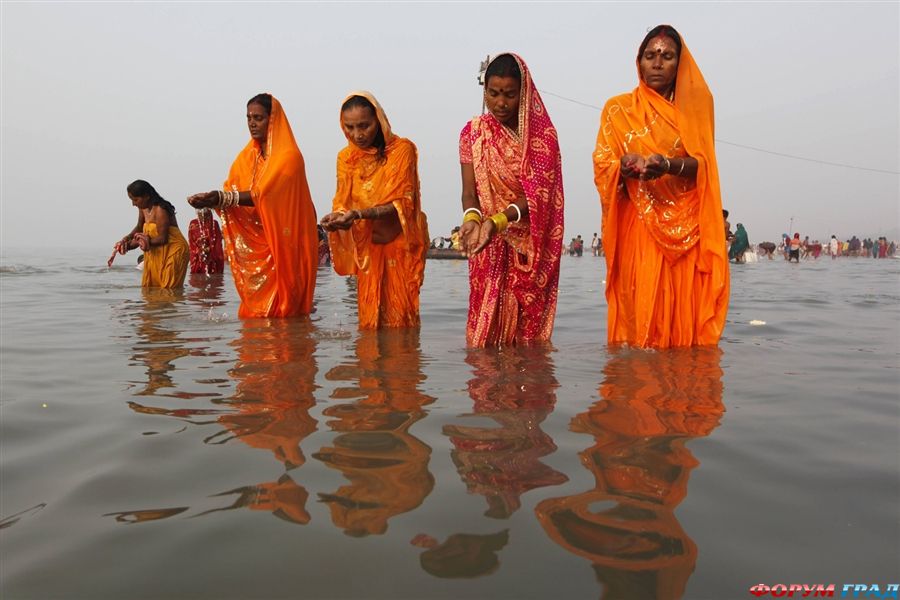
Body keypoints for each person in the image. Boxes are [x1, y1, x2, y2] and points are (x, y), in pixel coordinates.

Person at [592, 25, 729, 348]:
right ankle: (637, 392)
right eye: (650, 55)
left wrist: (667, 165)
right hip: (639, 228)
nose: (657, 63)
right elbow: (602, 163)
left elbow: (703, 164)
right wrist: (624, 167)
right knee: (639, 328)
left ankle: (682, 391)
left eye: (667, 56)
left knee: (684, 330)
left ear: (679, 64)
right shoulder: (617, 109)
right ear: (638, 62)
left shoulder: (694, 107)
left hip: (688, 232)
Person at [458, 53, 565, 347]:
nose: (500, 103)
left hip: (528, 249)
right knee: (484, 345)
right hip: (487, 245)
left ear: (524, 94)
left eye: (509, 94)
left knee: (527, 347)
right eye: (493, 93)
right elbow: (470, 192)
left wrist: (498, 221)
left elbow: (539, 198)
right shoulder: (473, 133)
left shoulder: (543, 139)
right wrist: (472, 219)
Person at [188, 93, 318, 317]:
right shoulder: (247, 157)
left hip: (286, 245)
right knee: (256, 319)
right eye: (248, 118)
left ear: (273, 120)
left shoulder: (289, 157)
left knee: (287, 314)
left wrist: (221, 198)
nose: (252, 123)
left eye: (258, 118)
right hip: (258, 244)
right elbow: (234, 188)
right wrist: (215, 199)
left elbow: (265, 194)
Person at [320, 92, 430, 329]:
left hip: (399, 246)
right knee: (370, 324)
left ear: (378, 120)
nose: (357, 134)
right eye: (349, 127)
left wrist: (359, 214)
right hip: (369, 248)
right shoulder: (346, 157)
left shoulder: (402, 150)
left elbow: (403, 203)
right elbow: (343, 201)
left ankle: (404, 363)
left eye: (364, 126)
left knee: (401, 322)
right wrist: (336, 218)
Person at [110, 180, 189, 288]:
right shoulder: (142, 208)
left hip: (174, 250)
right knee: (152, 290)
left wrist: (143, 241)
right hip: (156, 251)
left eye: (135, 200)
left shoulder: (161, 209)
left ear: (146, 196)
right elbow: (139, 227)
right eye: (132, 200)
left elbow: (163, 238)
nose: (133, 204)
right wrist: (126, 241)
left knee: (169, 290)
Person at [188, 208, 225, 275]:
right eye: (200, 214)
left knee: (214, 280)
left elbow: (217, 242)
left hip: (212, 257)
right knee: (197, 280)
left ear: (209, 214)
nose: (202, 217)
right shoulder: (193, 223)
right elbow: (191, 242)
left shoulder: (214, 224)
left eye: (205, 215)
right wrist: (199, 250)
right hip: (198, 257)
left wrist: (209, 249)